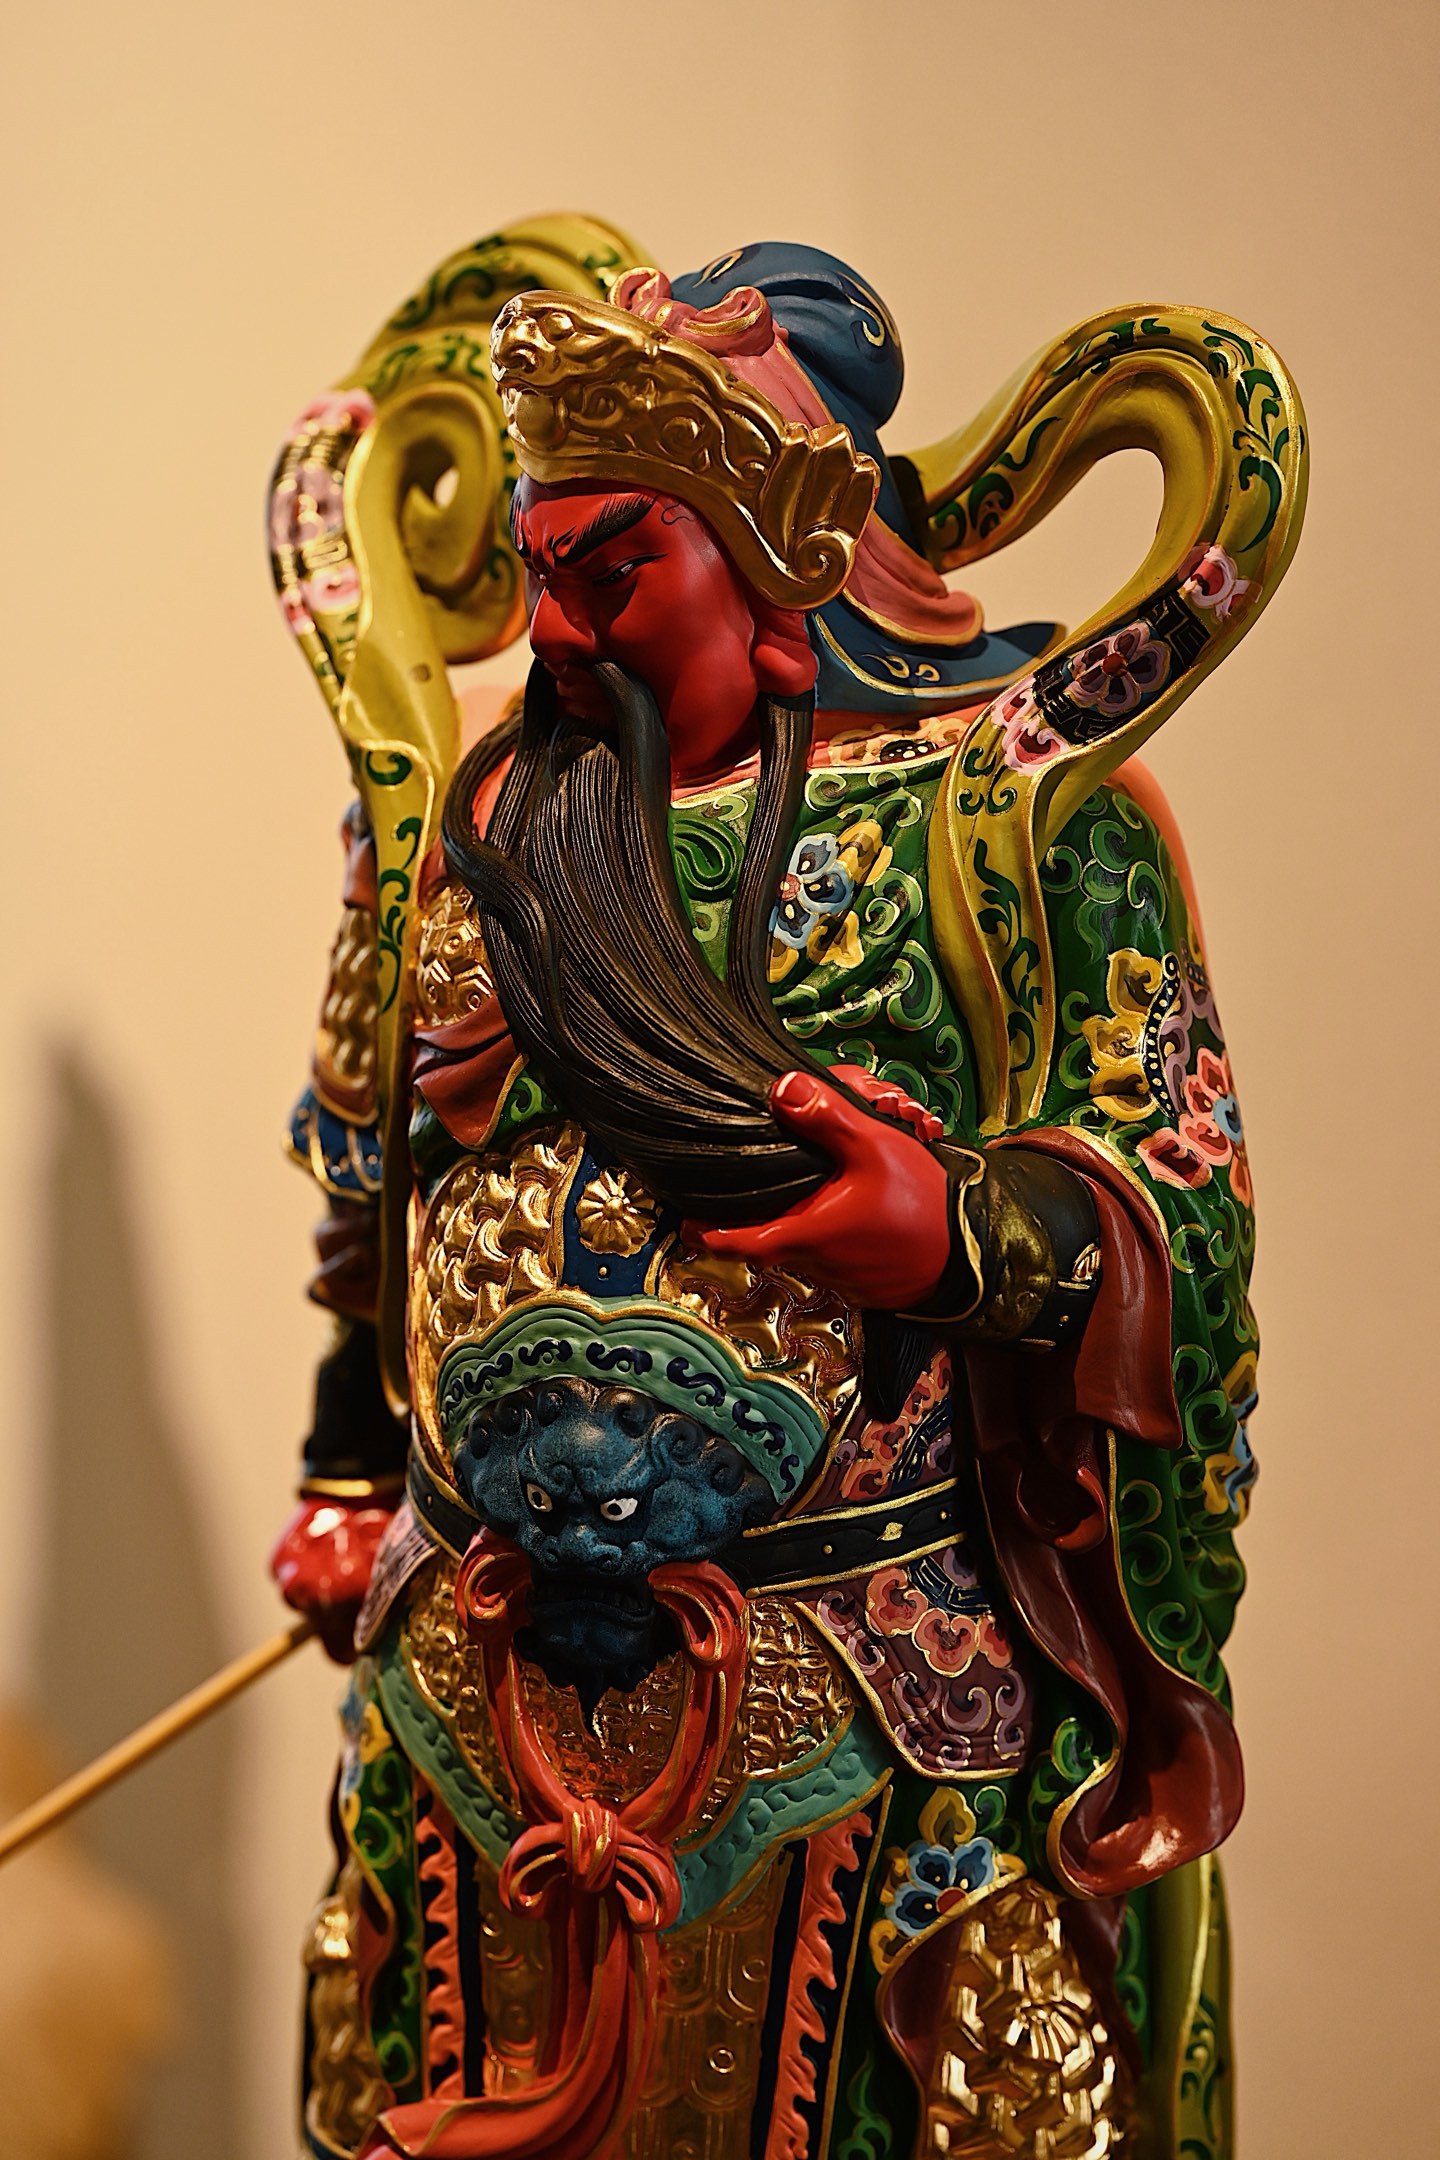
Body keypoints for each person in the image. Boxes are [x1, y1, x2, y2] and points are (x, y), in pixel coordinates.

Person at [267, 231, 1303, 2160]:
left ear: (774, 553)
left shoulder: (995, 826)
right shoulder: (486, 820)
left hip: (872, 1673)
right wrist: (342, 1470)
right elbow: (374, 1187)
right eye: (537, 571)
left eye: (611, 572)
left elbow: (1175, 1195)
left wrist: (962, 1234)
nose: (555, 631)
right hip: (476, 1674)